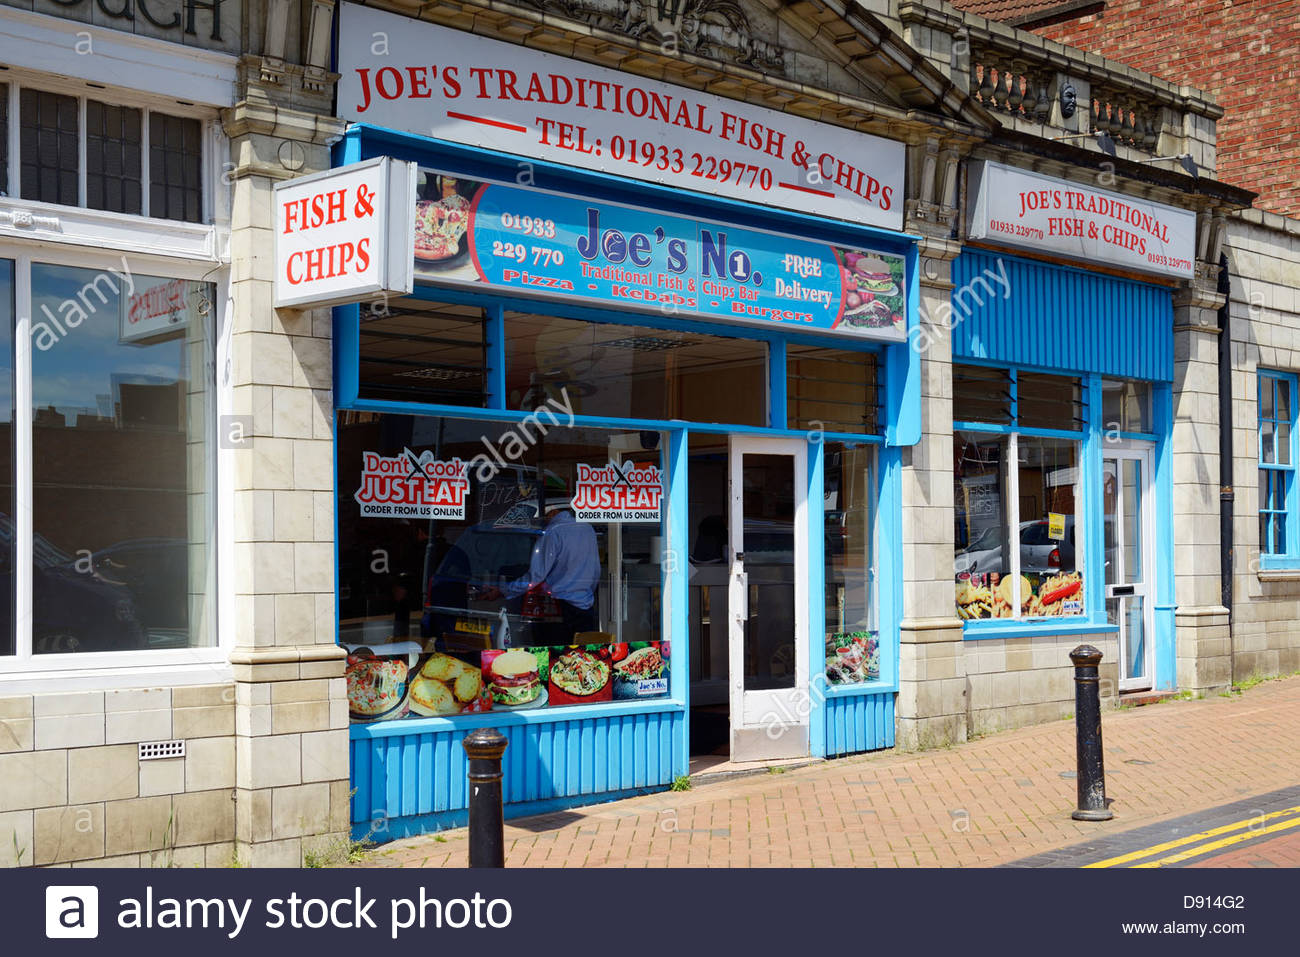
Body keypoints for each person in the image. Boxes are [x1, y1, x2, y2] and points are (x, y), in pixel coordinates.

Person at [480, 504, 600, 642]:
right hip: (585, 607)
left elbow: (536, 576)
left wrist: (505, 590)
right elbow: (596, 570)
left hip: (558, 608)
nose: (544, 521)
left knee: (553, 655)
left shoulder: (553, 531)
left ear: (553, 512)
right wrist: (587, 594)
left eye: (545, 516)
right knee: (581, 655)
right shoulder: (587, 529)